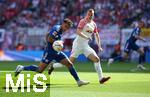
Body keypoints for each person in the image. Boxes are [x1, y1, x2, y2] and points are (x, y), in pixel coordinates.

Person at [15, 18, 89, 87]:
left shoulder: (60, 29)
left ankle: (78, 81)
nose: (66, 29)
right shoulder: (57, 29)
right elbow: (50, 39)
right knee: (39, 70)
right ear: (63, 23)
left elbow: (47, 34)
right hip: (49, 52)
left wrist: (54, 44)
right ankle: (22, 67)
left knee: (69, 64)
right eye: (66, 26)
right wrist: (58, 43)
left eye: (68, 28)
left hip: (57, 52)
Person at [49, 9, 110, 84]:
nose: (90, 16)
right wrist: (86, 37)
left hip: (85, 46)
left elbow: (96, 35)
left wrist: (99, 45)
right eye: (89, 14)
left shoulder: (94, 24)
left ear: (93, 15)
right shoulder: (83, 21)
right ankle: (53, 66)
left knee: (96, 59)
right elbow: (78, 32)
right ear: (87, 14)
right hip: (77, 45)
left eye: (92, 15)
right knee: (69, 63)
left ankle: (101, 79)